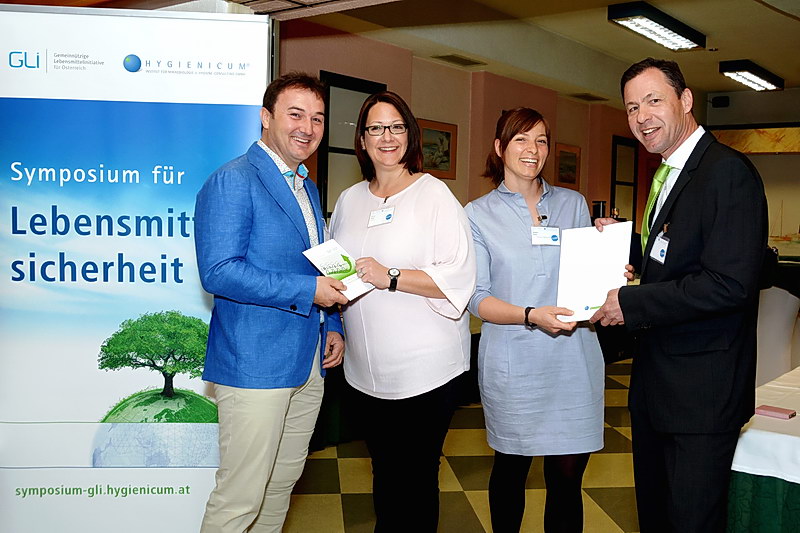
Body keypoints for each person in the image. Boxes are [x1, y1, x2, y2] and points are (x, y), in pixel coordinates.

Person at [591, 58, 768, 532]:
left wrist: (631, 303)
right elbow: (675, 258)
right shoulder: (670, 171)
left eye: (654, 101)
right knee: (656, 518)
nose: (642, 116)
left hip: (702, 397)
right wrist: (622, 247)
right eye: (632, 107)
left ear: (685, 100)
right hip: (657, 389)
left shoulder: (726, 172)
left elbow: (729, 283)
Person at [194, 72, 347, 533]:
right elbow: (219, 271)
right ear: (266, 117)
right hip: (255, 366)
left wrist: (333, 322)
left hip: (308, 363)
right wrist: (309, 293)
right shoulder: (233, 180)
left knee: (280, 487)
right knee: (239, 499)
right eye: (295, 114)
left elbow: (318, 261)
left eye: (317, 118)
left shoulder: (306, 186)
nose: (308, 128)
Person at [329, 91, 476, 532]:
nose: (386, 137)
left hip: (425, 373)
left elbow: (458, 277)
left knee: (416, 478)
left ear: (409, 135)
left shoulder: (434, 195)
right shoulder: (349, 199)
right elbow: (337, 269)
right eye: (375, 128)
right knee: (384, 475)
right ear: (362, 139)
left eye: (396, 127)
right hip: (364, 371)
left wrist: (390, 275)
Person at [466, 108, 613, 533]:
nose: (533, 149)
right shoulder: (476, 213)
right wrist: (530, 315)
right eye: (521, 139)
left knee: (567, 480)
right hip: (514, 362)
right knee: (511, 471)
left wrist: (610, 266)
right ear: (500, 148)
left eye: (542, 140)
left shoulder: (573, 204)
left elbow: (587, 287)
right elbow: (477, 298)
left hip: (573, 358)